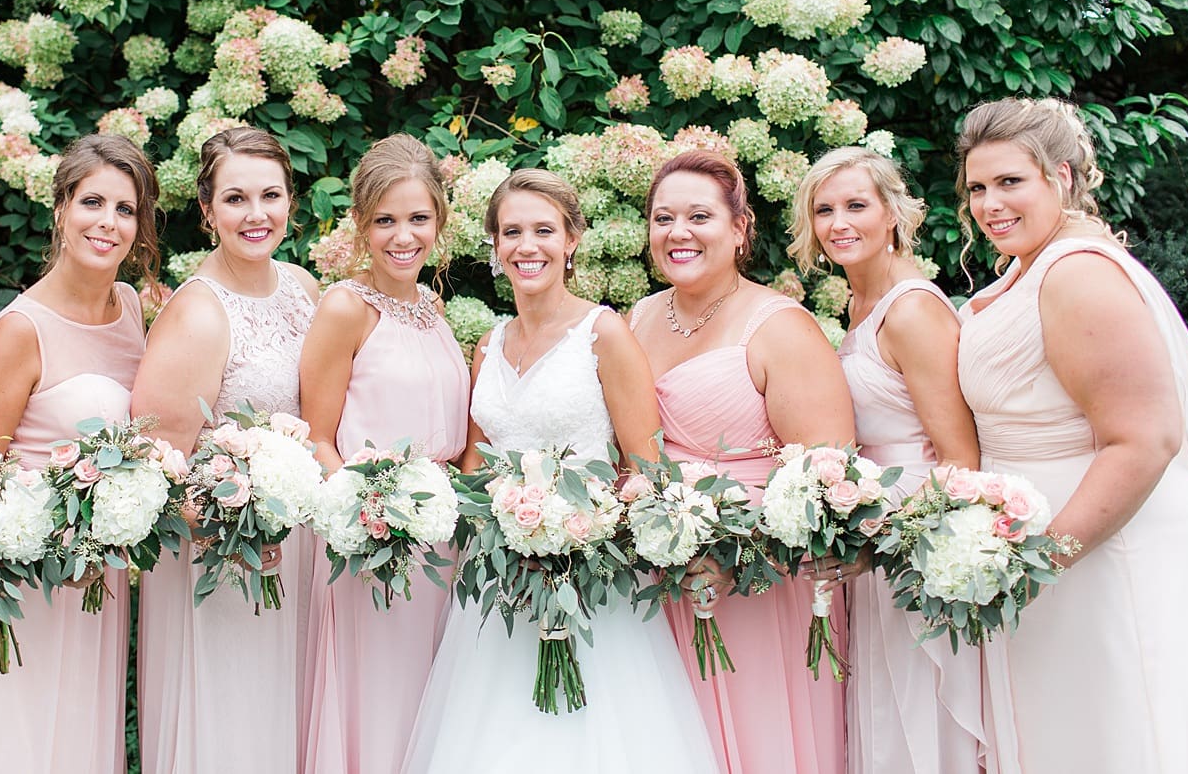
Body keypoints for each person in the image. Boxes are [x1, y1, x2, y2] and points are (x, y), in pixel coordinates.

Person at [954, 97, 1188, 774]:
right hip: (1039, 543)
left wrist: (1042, 562)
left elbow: (1142, 440)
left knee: (1120, 731)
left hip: (1104, 547)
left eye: (1008, 182)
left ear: (1060, 175)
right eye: (975, 187)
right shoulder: (1021, 270)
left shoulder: (1077, 271)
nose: (989, 203)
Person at [401, 168, 720, 774]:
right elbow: (478, 458)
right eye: (512, 231)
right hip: (499, 583)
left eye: (544, 230)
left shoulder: (604, 333)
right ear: (494, 246)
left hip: (592, 583)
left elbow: (648, 468)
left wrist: (579, 529)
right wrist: (486, 511)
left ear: (571, 240)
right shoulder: (488, 344)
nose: (528, 246)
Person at [0, 134, 159, 774]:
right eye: (92, 202)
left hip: (98, 588)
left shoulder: (132, 308)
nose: (107, 222)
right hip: (28, 589)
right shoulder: (18, 330)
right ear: (60, 210)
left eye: (125, 209)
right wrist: (57, 536)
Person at [629, 149, 853, 774]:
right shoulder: (639, 318)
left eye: (699, 215)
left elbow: (826, 482)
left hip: (759, 580)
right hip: (662, 575)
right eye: (662, 217)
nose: (678, 232)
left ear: (739, 227)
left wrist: (737, 556)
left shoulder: (780, 328)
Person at [789, 146, 987, 774]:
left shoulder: (912, 310)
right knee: (887, 712)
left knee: (923, 705)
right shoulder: (855, 308)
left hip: (918, 537)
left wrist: (896, 542)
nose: (839, 222)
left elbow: (960, 457)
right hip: (872, 528)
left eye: (856, 205)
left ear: (893, 213)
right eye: (824, 210)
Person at [132, 126, 320, 774]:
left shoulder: (301, 287)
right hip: (224, 558)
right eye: (235, 198)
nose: (256, 213)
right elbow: (156, 469)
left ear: (290, 202)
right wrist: (242, 523)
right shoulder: (196, 314)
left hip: (294, 553)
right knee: (234, 725)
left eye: (270, 194)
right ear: (207, 210)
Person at [298, 133, 470, 774]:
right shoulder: (345, 307)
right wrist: (365, 520)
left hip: (443, 542)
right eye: (386, 221)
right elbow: (318, 436)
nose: (404, 236)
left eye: (418, 219)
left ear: (440, 222)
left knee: (434, 703)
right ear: (360, 226)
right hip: (373, 542)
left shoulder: (431, 305)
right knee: (379, 699)